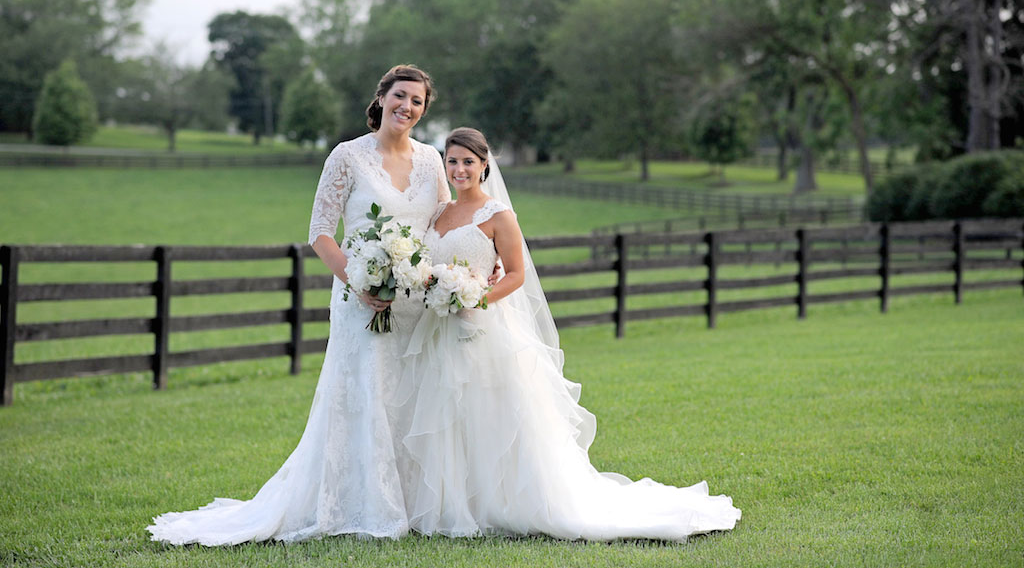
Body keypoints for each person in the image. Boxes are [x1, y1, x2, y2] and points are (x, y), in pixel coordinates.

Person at [148, 64, 450, 545]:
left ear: (424, 109)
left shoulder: (433, 161)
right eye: (400, 96)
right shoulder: (348, 156)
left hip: (416, 303)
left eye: (417, 101)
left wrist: (472, 261)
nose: (407, 107)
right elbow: (320, 233)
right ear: (382, 98)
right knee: (366, 396)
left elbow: (441, 226)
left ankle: (416, 504)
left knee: (411, 397)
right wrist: (359, 277)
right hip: (361, 299)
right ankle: (364, 503)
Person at [394, 127, 742, 540]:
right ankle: (450, 503)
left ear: (485, 165)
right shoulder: (439, 212)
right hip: (437, 329)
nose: (459, 169)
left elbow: (517, 275)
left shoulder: (498, 215)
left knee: (487, 413)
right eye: (452, 161)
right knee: (445, 413)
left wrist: (476, 297)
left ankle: (499, 501)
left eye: (468, 161)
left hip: (480, 327)